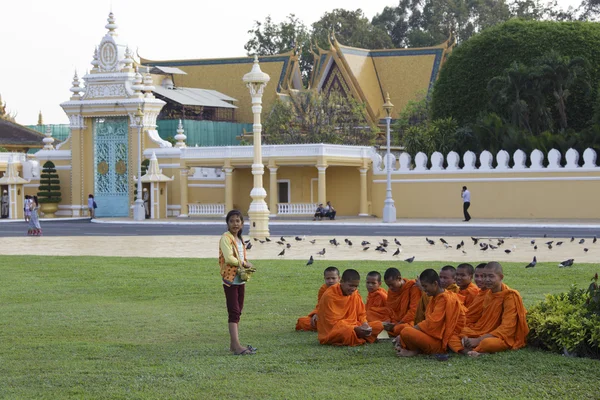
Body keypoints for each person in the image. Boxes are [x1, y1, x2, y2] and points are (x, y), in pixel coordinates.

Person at [448, 262, 529, 357]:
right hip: (483, 331)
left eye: (491, 276)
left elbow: (507, 327)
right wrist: (466, 334)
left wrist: (479, 340)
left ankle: (474, 349)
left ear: (501, 277)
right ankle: (467, 352)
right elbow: (478, 321)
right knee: (452, 335)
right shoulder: (487, 294)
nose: (486, 280)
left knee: (487, 343)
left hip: (501, 337)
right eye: (484, 276)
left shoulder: (510, 296)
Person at [398, 269, 466, 357]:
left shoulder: (445, 299)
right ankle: (414, 349)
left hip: (441, 343)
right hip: (433, 336)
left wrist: (414, 329)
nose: (424, 289)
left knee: (406, 331)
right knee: (405, 330)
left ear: (435, 284)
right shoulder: (435, 297)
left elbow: (432, 323)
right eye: (422, 286)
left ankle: (415, 351)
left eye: (425, 286)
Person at [219, 209, 256, 355]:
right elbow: (228, 258)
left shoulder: (239, 239)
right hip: (230, 280)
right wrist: (244, 263)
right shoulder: (225, 238)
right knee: (234, 311)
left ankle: (233, 344)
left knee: (238, 311)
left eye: (238, 221)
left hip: (240, 280)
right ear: (227, 223)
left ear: (242, 223)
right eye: (232, 221)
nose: (235, 223)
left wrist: (246, 263)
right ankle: (237, 346)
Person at [317, 269, 383, 346]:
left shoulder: (355, 294)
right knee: (346, 332)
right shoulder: (330, 296)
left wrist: (365, 324)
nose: (353, 289)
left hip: (354, 325)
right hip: (335, 330)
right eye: (351, 285)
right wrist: (354, 328)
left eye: (356, 286)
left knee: (378, 325)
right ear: (341, 282)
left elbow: (361, 313)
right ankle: (357, 336)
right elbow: (332, 323)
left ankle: (357, 335)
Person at [296, 266, 340, 331]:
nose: (330, 281)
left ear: (339, 278)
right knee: (302, 321)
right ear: (324, 278)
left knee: (343, 324)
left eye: (333, 278)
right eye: (328, 278)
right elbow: (320, 305)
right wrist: (317, 313)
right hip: (326, 317)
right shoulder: (323, 289)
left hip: (341, 317)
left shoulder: (344, 289)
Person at [382, 268, 422, 338]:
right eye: (388, 285)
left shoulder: (413, 287)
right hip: (395, 320)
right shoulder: (391, 290)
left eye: (392, 285)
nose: (390, 288)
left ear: (399, 279)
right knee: (371, 315)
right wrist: (388, 320)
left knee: (400, 328)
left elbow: (414, 311)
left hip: (409, 321)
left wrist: (399, 323)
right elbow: (389, 308)